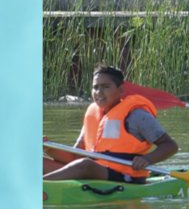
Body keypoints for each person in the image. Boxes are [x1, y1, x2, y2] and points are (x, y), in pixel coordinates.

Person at [43, 65, 179, 183]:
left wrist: (147, 159)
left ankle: (40, 187)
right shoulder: (93, 114)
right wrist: (48, 147)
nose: (99, 92)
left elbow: (170, 146)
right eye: (95, 87)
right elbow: (75, 156)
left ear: (120, 90)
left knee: (86, 165)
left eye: (105, 87)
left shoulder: (137, 115)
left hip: (126, 175)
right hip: (93, 170)